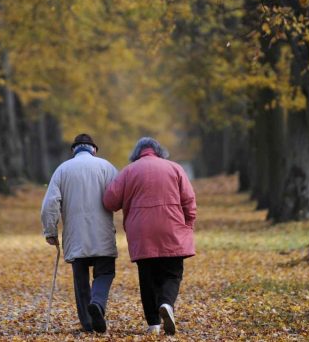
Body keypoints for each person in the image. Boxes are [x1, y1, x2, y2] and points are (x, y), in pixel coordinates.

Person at [103, 137, 196, 336]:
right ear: (159, 151)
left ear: (137, 154)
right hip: (171, 227)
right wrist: (188, 225)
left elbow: (110, 201)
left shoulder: (128, 171)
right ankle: (166, 303)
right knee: (172, 273)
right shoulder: (175, 168)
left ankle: (153, 323)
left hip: (141, 232)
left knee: (147, 277)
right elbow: (189, 200)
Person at [40, 133, 119, 334]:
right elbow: (119, 197)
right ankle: (98, 304)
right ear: (94, 149)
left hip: (75, 235)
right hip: (102, 232)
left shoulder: (62, 170)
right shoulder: (106, 167)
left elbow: (50, 204)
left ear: (73, 150)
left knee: (81, 279)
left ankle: (87, 323)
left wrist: (50, 231)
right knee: (105, 272)